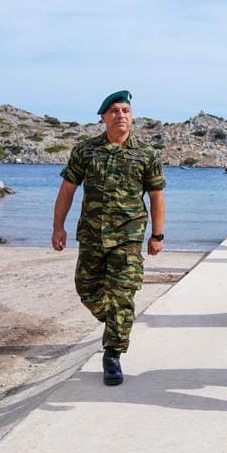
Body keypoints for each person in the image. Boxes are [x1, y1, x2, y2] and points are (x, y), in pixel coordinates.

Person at [52, 90, 165, 386]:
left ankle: (113, 353)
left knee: (123, 294)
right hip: (91, 235)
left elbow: (156, 195)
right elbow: (67, 190)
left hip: (128, 239)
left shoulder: (146, 153)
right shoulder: (85, 150)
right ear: (103, 117)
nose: (121, 116)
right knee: (86, 290)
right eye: (114, 111)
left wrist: (157, 234)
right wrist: (58, 227)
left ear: (132, 115)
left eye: (125, 110)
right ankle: (117, 323)